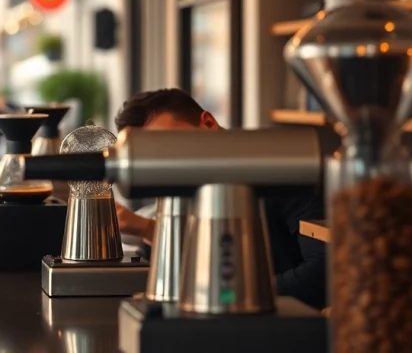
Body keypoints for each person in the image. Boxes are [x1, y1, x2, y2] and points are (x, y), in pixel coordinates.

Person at [112, 88, 327, 309]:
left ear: (208, 123)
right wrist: (144, 228)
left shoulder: (279, 167)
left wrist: (234, 297)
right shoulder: (184, 179)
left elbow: (323, 271)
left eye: (170, 143)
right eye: (154, 155)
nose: (167, 160)